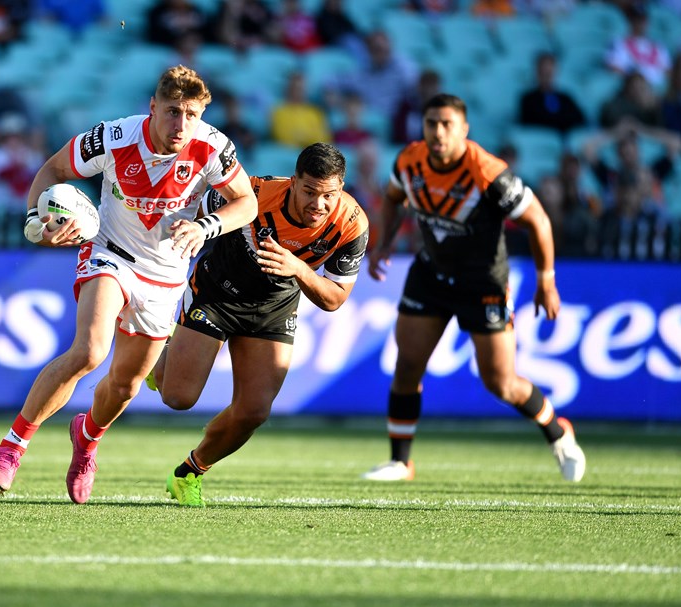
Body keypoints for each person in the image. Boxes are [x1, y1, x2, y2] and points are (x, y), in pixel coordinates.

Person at [0, 65, 258, 503]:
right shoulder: (114, 137)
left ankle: (87, 439)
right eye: (172, 111)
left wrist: (206, 226)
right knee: (90, 351)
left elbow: (247, 202)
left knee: (127, 384)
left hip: (166, 275)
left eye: (191, 114)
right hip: (110, 253)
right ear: (152, 107)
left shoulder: (212, 147)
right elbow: (53, 169)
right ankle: (12, 447)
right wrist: (37, 220)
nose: (181, 124)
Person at [361, 93, 586, 483]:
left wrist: (546, 281)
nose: (438, 132)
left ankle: (558, 432)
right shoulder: (409, 161)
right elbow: (393, 199)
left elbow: (538, 221)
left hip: (483, 282)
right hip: (431, 275)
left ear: (464, 129)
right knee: (407, 365)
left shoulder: (488, 173)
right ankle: (400, 461)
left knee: (501, 383)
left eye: (447, 124)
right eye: (431, 123)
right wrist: (384, 244)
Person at [147, 142, 369, 506]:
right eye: (309, 192)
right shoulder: (254, 193)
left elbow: (334, 299)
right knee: (177, 397)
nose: (318, 204)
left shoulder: (352, 225)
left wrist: (298, 269)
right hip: (217, 293)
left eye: (328, 195)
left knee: (253, 412)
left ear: (341, 188)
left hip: (273, 308)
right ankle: (163, 345)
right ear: (293, 182)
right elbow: (193, 208)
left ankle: (189, 473)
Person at [518, 52, 586, 135]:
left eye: (549, 72)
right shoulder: (528, 99)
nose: (546, 76)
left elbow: (580, 120)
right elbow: (529, 123)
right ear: (536, 72)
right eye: (542, 72)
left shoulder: (565, 98)